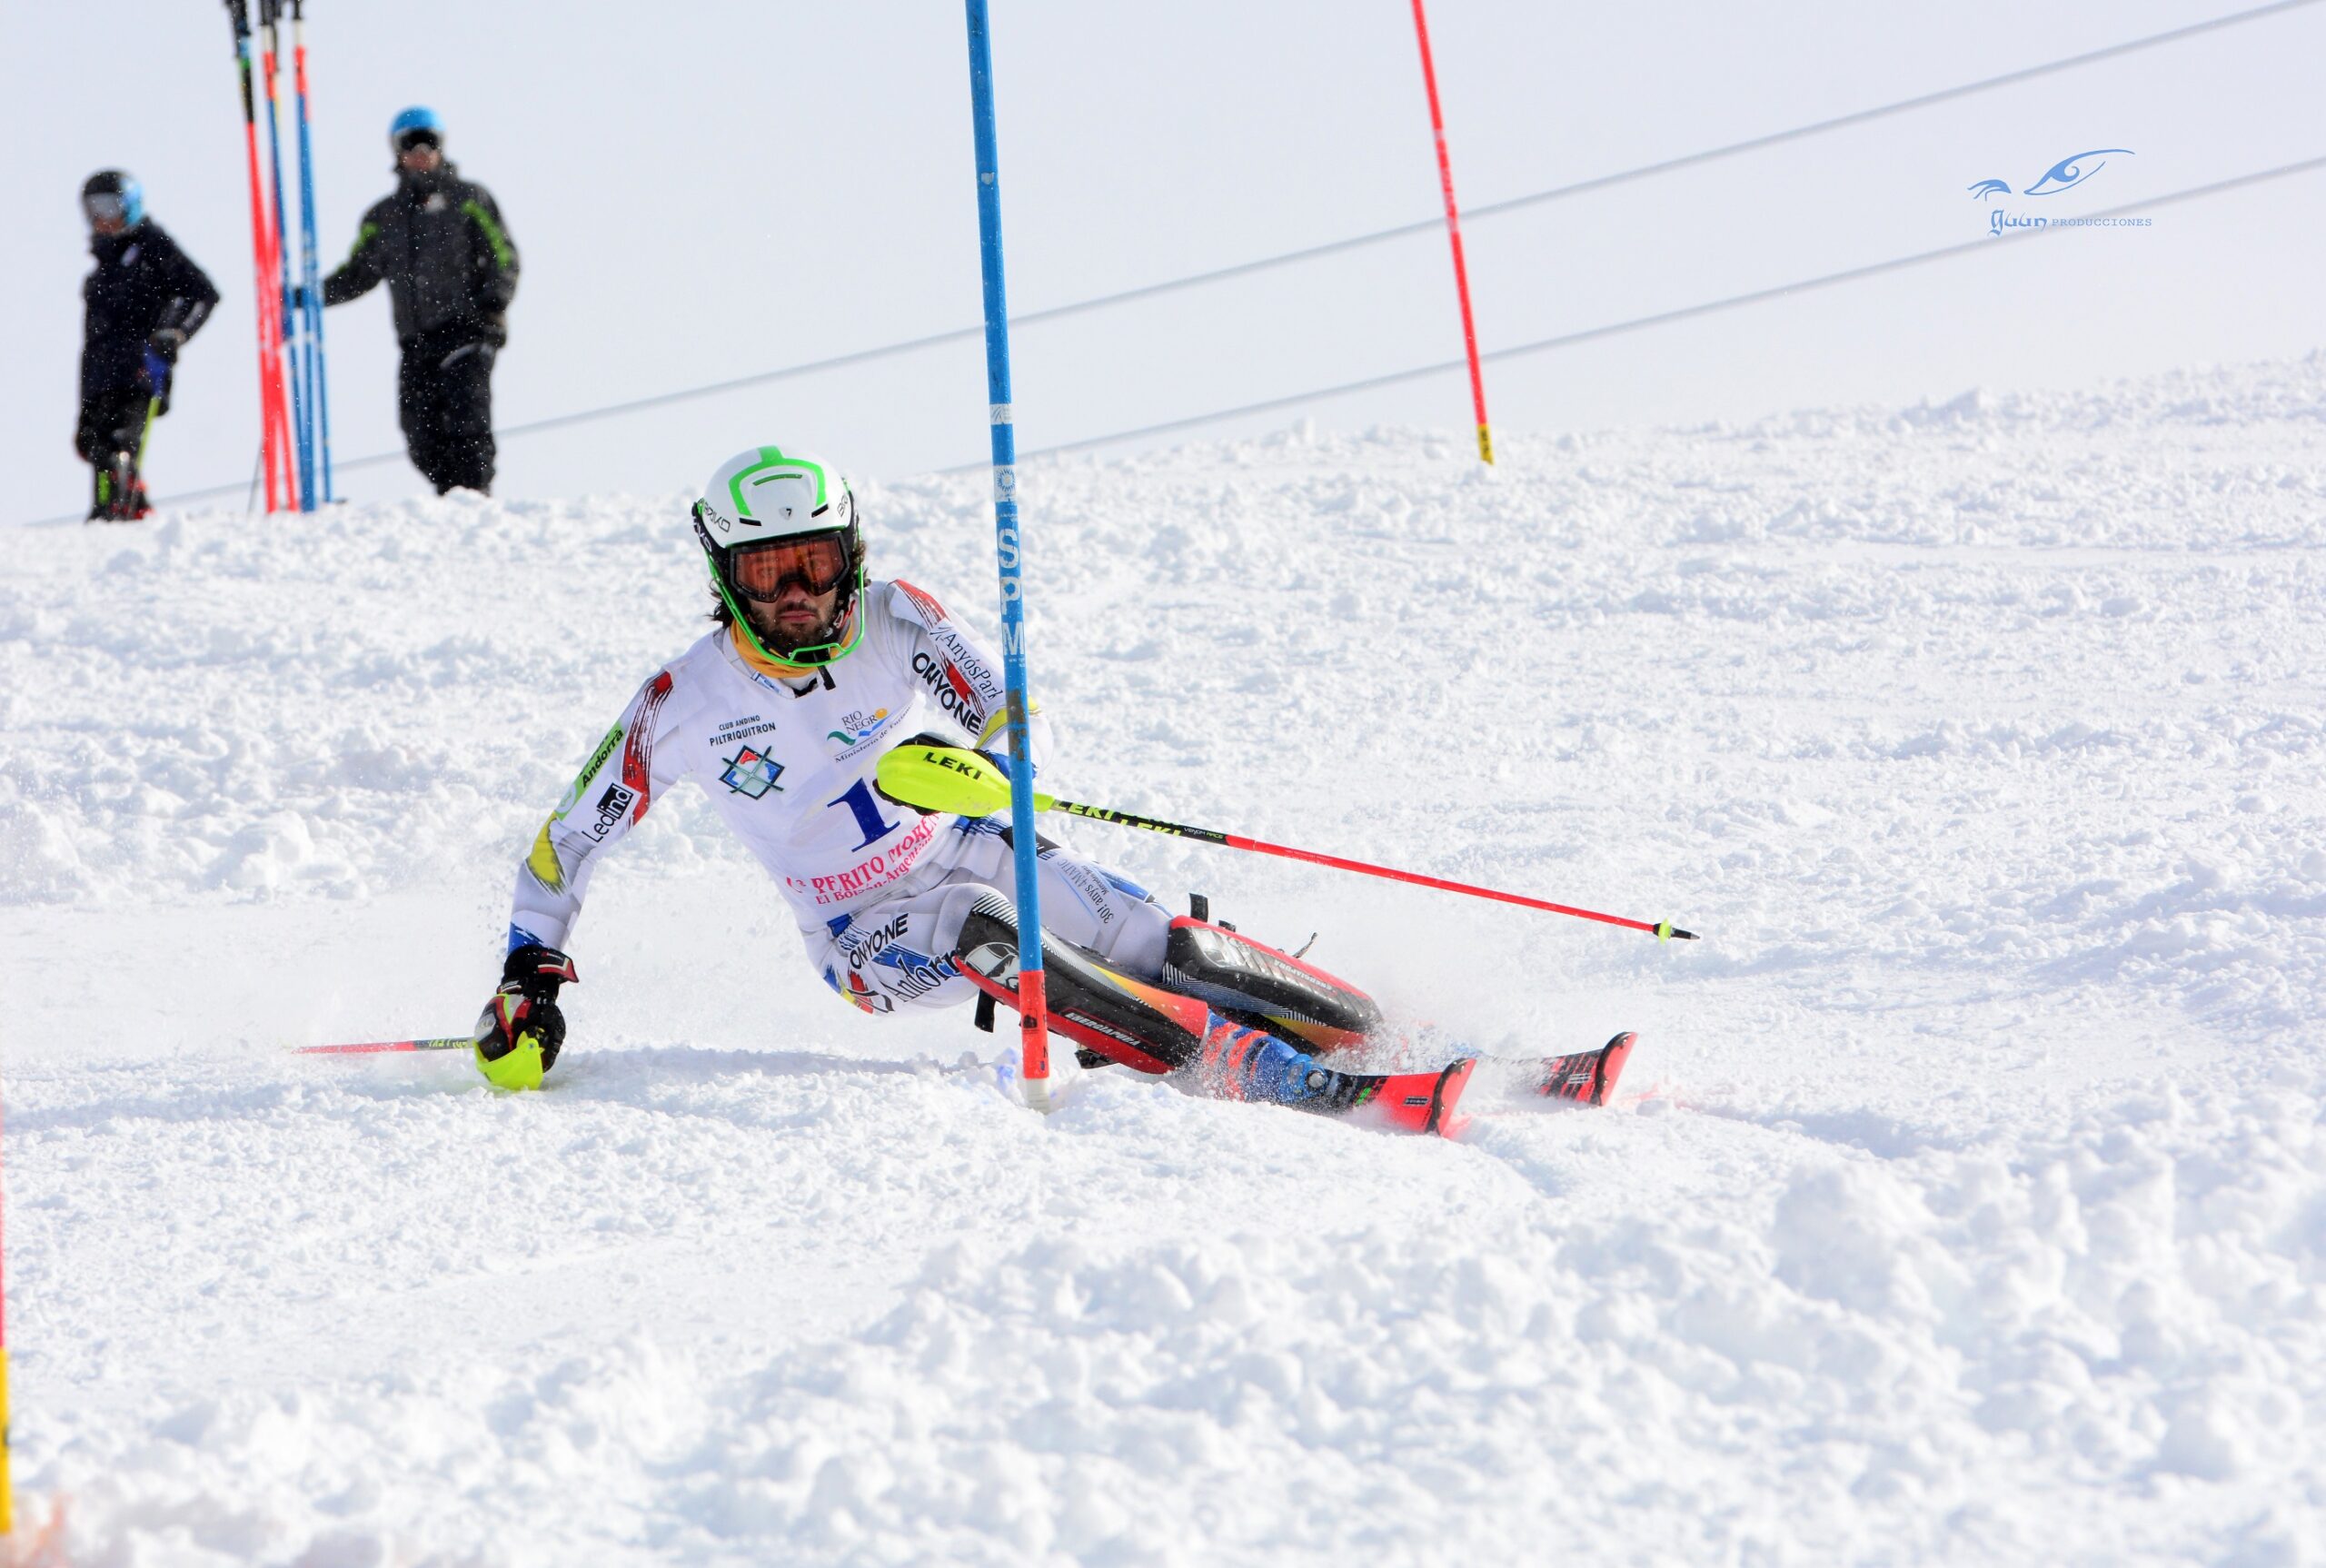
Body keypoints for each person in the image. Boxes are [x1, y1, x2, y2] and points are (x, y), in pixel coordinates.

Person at [471, 445, 1486, 1132]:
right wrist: (530, 967)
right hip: (859, 934)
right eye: (768, 571)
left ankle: (1383, 1028)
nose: (797, 596)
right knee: (983, 925)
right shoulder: (680, 703)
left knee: (1145, 937)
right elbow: (565, 844)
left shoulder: (898, 618)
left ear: (849, 553)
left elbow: (1009, 711)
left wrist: (992, 766)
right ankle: (1256, 1068)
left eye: (815, 565)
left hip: (960, 839)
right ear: (725, 574)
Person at [317, 106, 517, 495]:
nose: (421, 152)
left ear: (442, 147)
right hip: (417, 341)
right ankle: (449, 493)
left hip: (466, 330)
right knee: (419, 430)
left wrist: (494, 301)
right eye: (411, 144)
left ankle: (475, 494)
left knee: (467, 417)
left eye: (430, 142)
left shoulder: (469, 199)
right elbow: (359, 272)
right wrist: (311, 295)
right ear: (397, 152)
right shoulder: (384, 217)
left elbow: (503, 255)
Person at [76, 171, 217, 521]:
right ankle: (124, 507)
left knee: (121, 439)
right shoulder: (105, 263)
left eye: (110, 206)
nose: (101, 217)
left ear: (131, 205)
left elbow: (202, 293)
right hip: (100, 372)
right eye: (92, 209)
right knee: (92, 440)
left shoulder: (152, 245)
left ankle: (116, 507)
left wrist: (175, 333)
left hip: (140, 364)